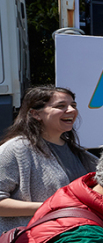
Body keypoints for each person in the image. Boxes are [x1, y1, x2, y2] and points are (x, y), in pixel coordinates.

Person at [0, 86, 97, 234]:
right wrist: (51, 206)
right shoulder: (15, 149)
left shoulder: (81, 155)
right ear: (35, 114)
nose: (71, 110)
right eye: (61, 106)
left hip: (75, 242)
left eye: (73, 105)